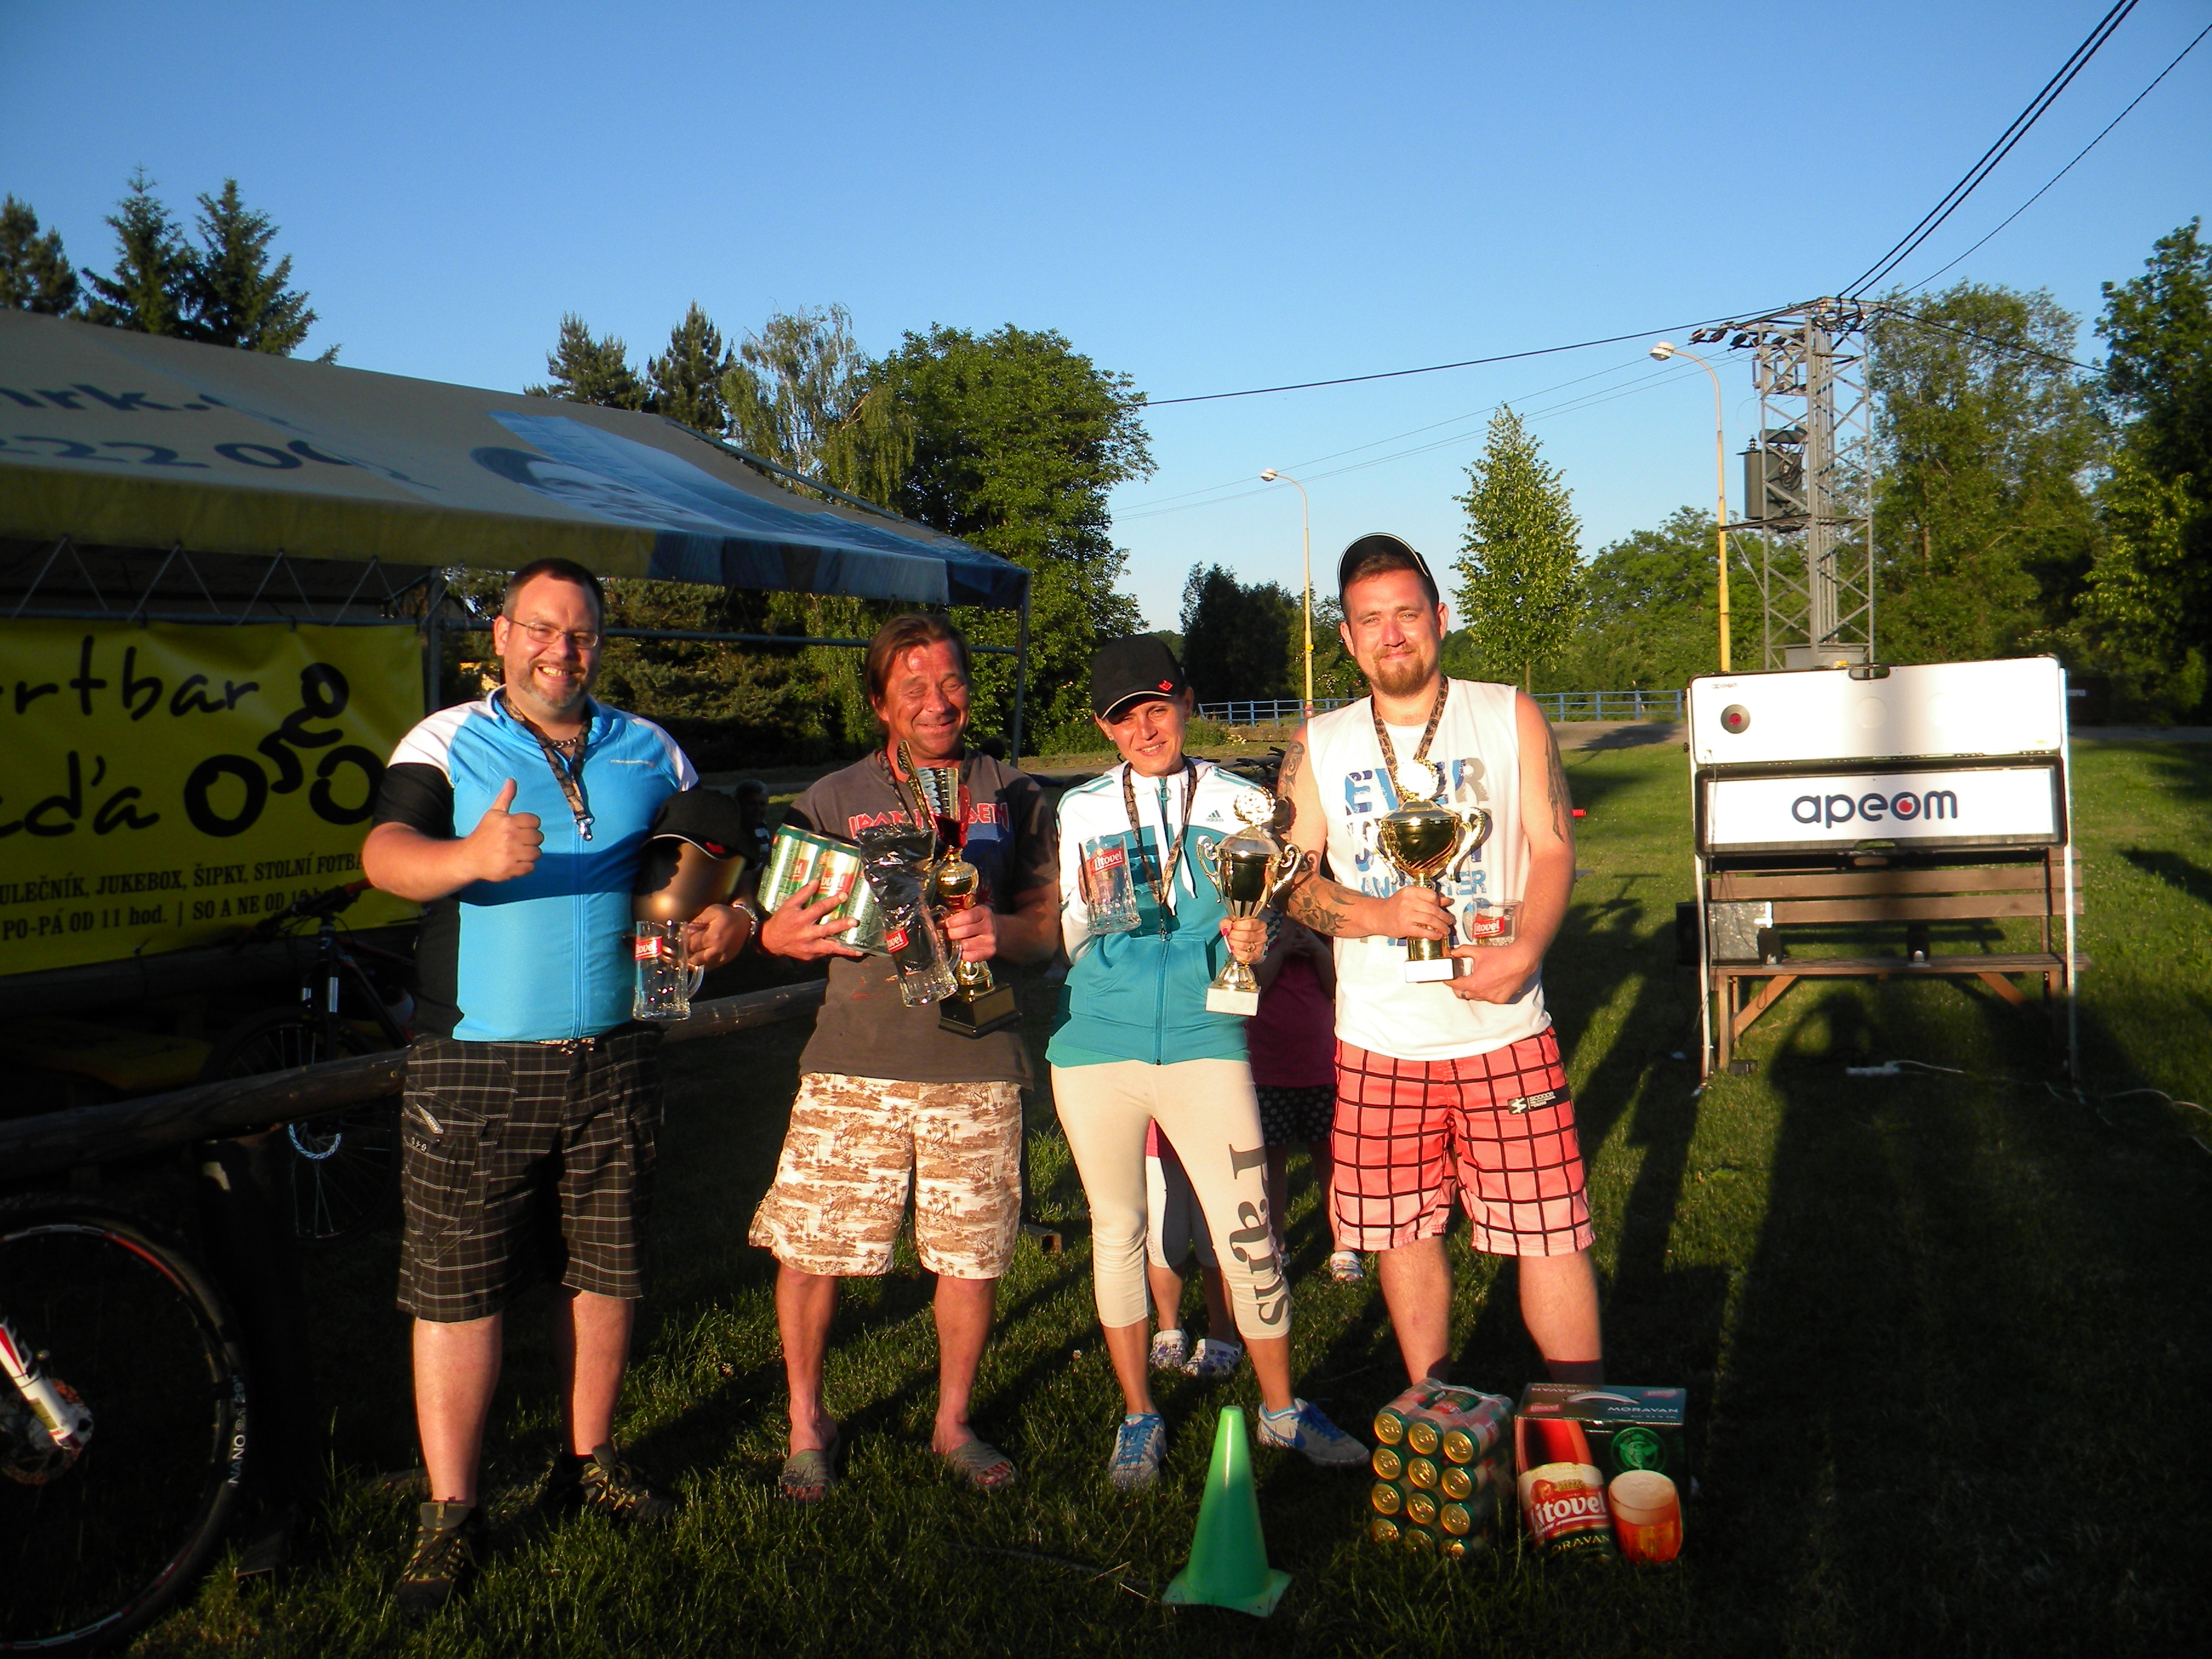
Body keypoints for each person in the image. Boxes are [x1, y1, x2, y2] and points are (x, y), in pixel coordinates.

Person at [361, 558, 754, 1618]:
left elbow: (711, 861)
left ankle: (591, 1462)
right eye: (540, 629)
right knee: (458, 1290)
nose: (559, 652)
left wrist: (733, 919)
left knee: (605, 1270)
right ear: (501, 634)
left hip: (617, 1053)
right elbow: (384, 855)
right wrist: (468, 856)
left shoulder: (651, 747)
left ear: (598, 646)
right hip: (475, 1061)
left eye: (579, 635)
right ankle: (452, 1512)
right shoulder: (445, 741)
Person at [1245, 532, 1602, 1391]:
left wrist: (1526, 950)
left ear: (1440, 617)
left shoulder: (1508, 714)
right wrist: (1376, 914)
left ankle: (1579, 1424)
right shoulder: (1319, 743)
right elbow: (1291, 879)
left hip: (1504, 1030)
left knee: (1550, 1231)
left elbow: (1554, 847)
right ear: (1347, 638)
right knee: (1405, 1235)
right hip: (1381, 1041)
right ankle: (1434, 1410)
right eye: (1371, 620)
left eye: (1407, 613)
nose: (1392, 633)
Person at [749, 614, 1059, 1501]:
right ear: (881, 704)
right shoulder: (831, 798)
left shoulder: (1015, 793)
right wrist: (774, 935)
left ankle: (952, 1421)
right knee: (811, 1250)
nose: (937, 702)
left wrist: (1002, 933)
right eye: (913, 687)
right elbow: (778, 915)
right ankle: (807, 1422)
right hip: (856, 1058)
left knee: (972, 1254)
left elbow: (1047, 930)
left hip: (979, 1054)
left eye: (951, 681)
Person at [1050, 635, 1365, 1489]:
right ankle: (1139, 1416)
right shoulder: (1081, 809)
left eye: (1158, 708)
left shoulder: (1239, 801)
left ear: (1185, 704)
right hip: (1097, 1047)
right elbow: (1076, 926)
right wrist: (1113, 966)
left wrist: (1255, 948)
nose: (1145, 730)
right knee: (1118, 1230)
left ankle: (1281, 1410)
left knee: (1249, 1229)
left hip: (1206, 1039)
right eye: (1124, 719)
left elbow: (1270, 917)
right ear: (1103, 728)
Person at [1248, 916, 1363, 1282]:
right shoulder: (1257, 927)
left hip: (1322, 1067)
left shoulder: (1325, 928)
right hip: (1269, 1066)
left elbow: (1337, 988)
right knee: (1273, 1162)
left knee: (1332, 1159)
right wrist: (1281, 950)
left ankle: (1344, 1245)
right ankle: (1277, 1243)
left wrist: (1315, 948)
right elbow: (1254, 988)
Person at [1142, 1120, 1241, 1378]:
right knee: (1166, 1240)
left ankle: (1222, 1332)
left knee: (1213, 1240)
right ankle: (1168, 1327)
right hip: (1157, 1137)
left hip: (1214, 1134)